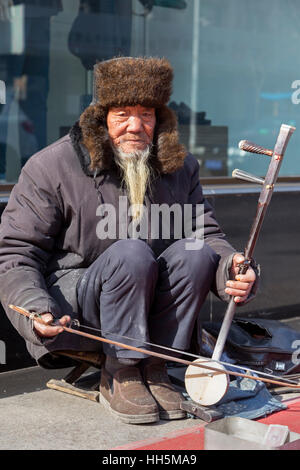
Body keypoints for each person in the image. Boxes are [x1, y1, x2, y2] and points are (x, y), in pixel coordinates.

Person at [0, 57, 257, 424]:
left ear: (159, 118)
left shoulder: (180, 168)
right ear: (100, 116)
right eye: (122, 114)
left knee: (196, 253)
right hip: (78, 305)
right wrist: (34, 308)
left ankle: (156, 365)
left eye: (147, 114)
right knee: (132, 253)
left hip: (145, 299)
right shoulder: (50, 167)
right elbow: (15, 254)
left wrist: (232, 266)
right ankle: (120, 373)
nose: (135, 126)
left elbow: (206, 234)